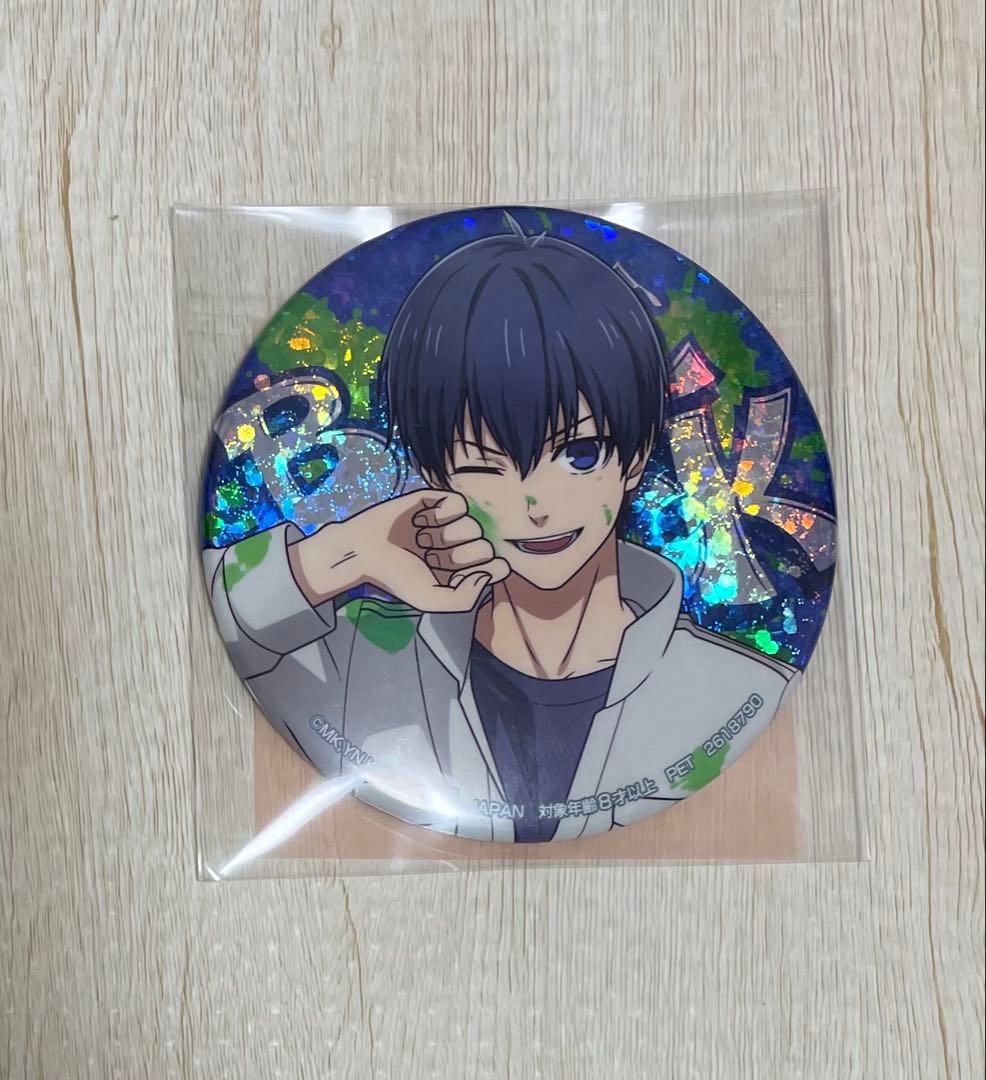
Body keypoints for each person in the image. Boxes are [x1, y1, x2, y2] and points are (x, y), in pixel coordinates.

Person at [205, 218, 798, 842]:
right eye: (484, 465)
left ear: (637, 453)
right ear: (435, 473)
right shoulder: (363, 659)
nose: (536, 506)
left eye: (579, 454)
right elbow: (214, 622)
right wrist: (351, 552)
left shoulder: (739, 689)